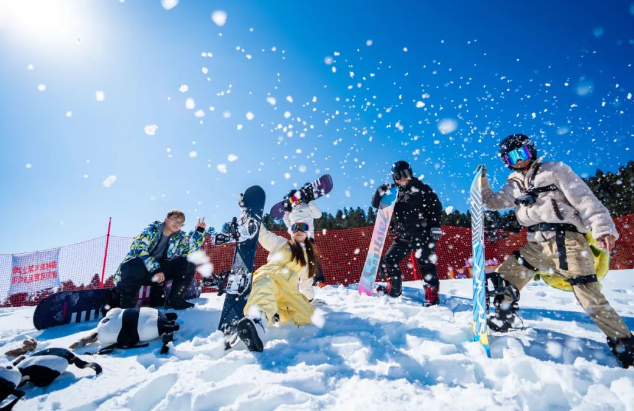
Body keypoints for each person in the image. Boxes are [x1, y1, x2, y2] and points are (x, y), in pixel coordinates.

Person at [482, 133, 633, 368]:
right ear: (506, 162)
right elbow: (491, 202)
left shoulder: (554, 170)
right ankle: (503, 315)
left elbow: (585, 199)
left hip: (567, 241)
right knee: (507, 274)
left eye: (522, 153)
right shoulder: (514, 184)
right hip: (537, 244)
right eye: (512, 158)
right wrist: (481, 182)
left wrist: (602, 228)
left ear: (531, 151)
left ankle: (624, 344)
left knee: (588, 295)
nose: (519, 160)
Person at [236, 221, 318, 352]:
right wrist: (257, 222)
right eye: (294, 228)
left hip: (288, 289)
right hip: (271, 277)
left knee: (307, 317)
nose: (298, 230)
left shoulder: (308, 258)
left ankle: (276, 313)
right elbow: (264, 235)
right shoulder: (281, 243)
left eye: (303, 228)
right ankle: (256, 324)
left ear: (307, 233)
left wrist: (309, 299)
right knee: (264, 287)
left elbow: (306, 281)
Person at [371, 161, 443, 305]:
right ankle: (394, 288)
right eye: (398, 176)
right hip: (404, 236)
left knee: (426, 264)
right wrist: (380, 191)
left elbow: (435, 207)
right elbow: (376, 204)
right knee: (390, 259)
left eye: (405, 174)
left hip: (423, 235)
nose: (402, 178)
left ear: (410, 173)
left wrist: (435, 226)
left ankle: (431, 295)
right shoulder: (394, 192)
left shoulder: (422, 188)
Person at [114, 210, 206, 310]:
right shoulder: (151, 230)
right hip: (135, 272)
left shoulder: (178, 237)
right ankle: (127, 306)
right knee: (135, 263)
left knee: (188, 262)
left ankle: (174, 300)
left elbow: (188, 251)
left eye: (180, 222)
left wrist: (199, 231)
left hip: (157, 275)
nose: (177, 224)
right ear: (166, 220)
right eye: (174, 219)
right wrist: (156, 269)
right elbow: (138, 249)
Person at [282, 188, 326, 286]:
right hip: (296, 237)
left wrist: (310, 202)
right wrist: (286, 213)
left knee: (312, 258)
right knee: (296, 259)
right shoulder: (291, 211)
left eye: (295, 198)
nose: (294, 201)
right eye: (291, 199)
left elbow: (318, 215)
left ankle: (319, 280)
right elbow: (288, 224)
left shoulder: (306, 206)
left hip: (308, 236)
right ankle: (296, 280)